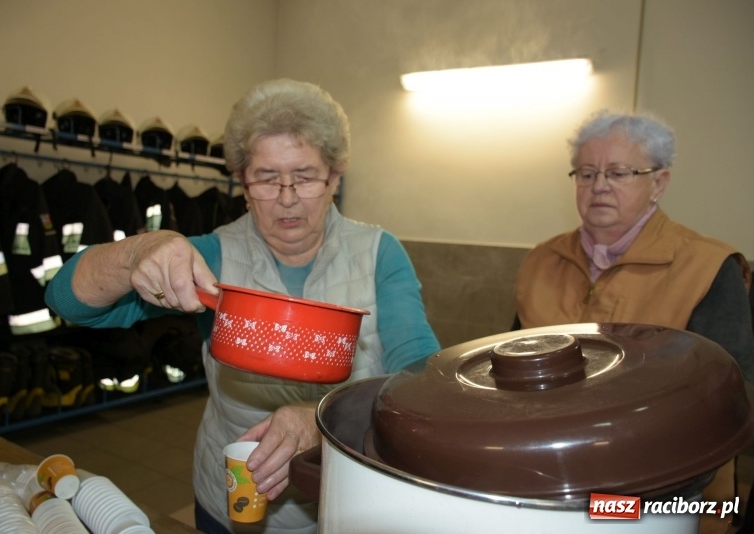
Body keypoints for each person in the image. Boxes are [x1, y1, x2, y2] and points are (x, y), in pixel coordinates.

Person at [45, 78, 440, 533]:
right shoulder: (213, 258)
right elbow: (67, 301)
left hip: (345, 504)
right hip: (233, 500)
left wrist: (324, 420)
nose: (287, 198)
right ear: (242, 184)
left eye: (305, 177)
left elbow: (422, 380)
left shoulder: (378, 253)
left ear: (334, 176)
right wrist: (135, 253)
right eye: (267, 178)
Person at [513, 110, 754, 382]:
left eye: (618, 173)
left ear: (658, 184)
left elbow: (731, 388)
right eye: (587, 174)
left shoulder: (708, 267)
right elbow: (511, 367)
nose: (599, 186)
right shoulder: (542, 260)